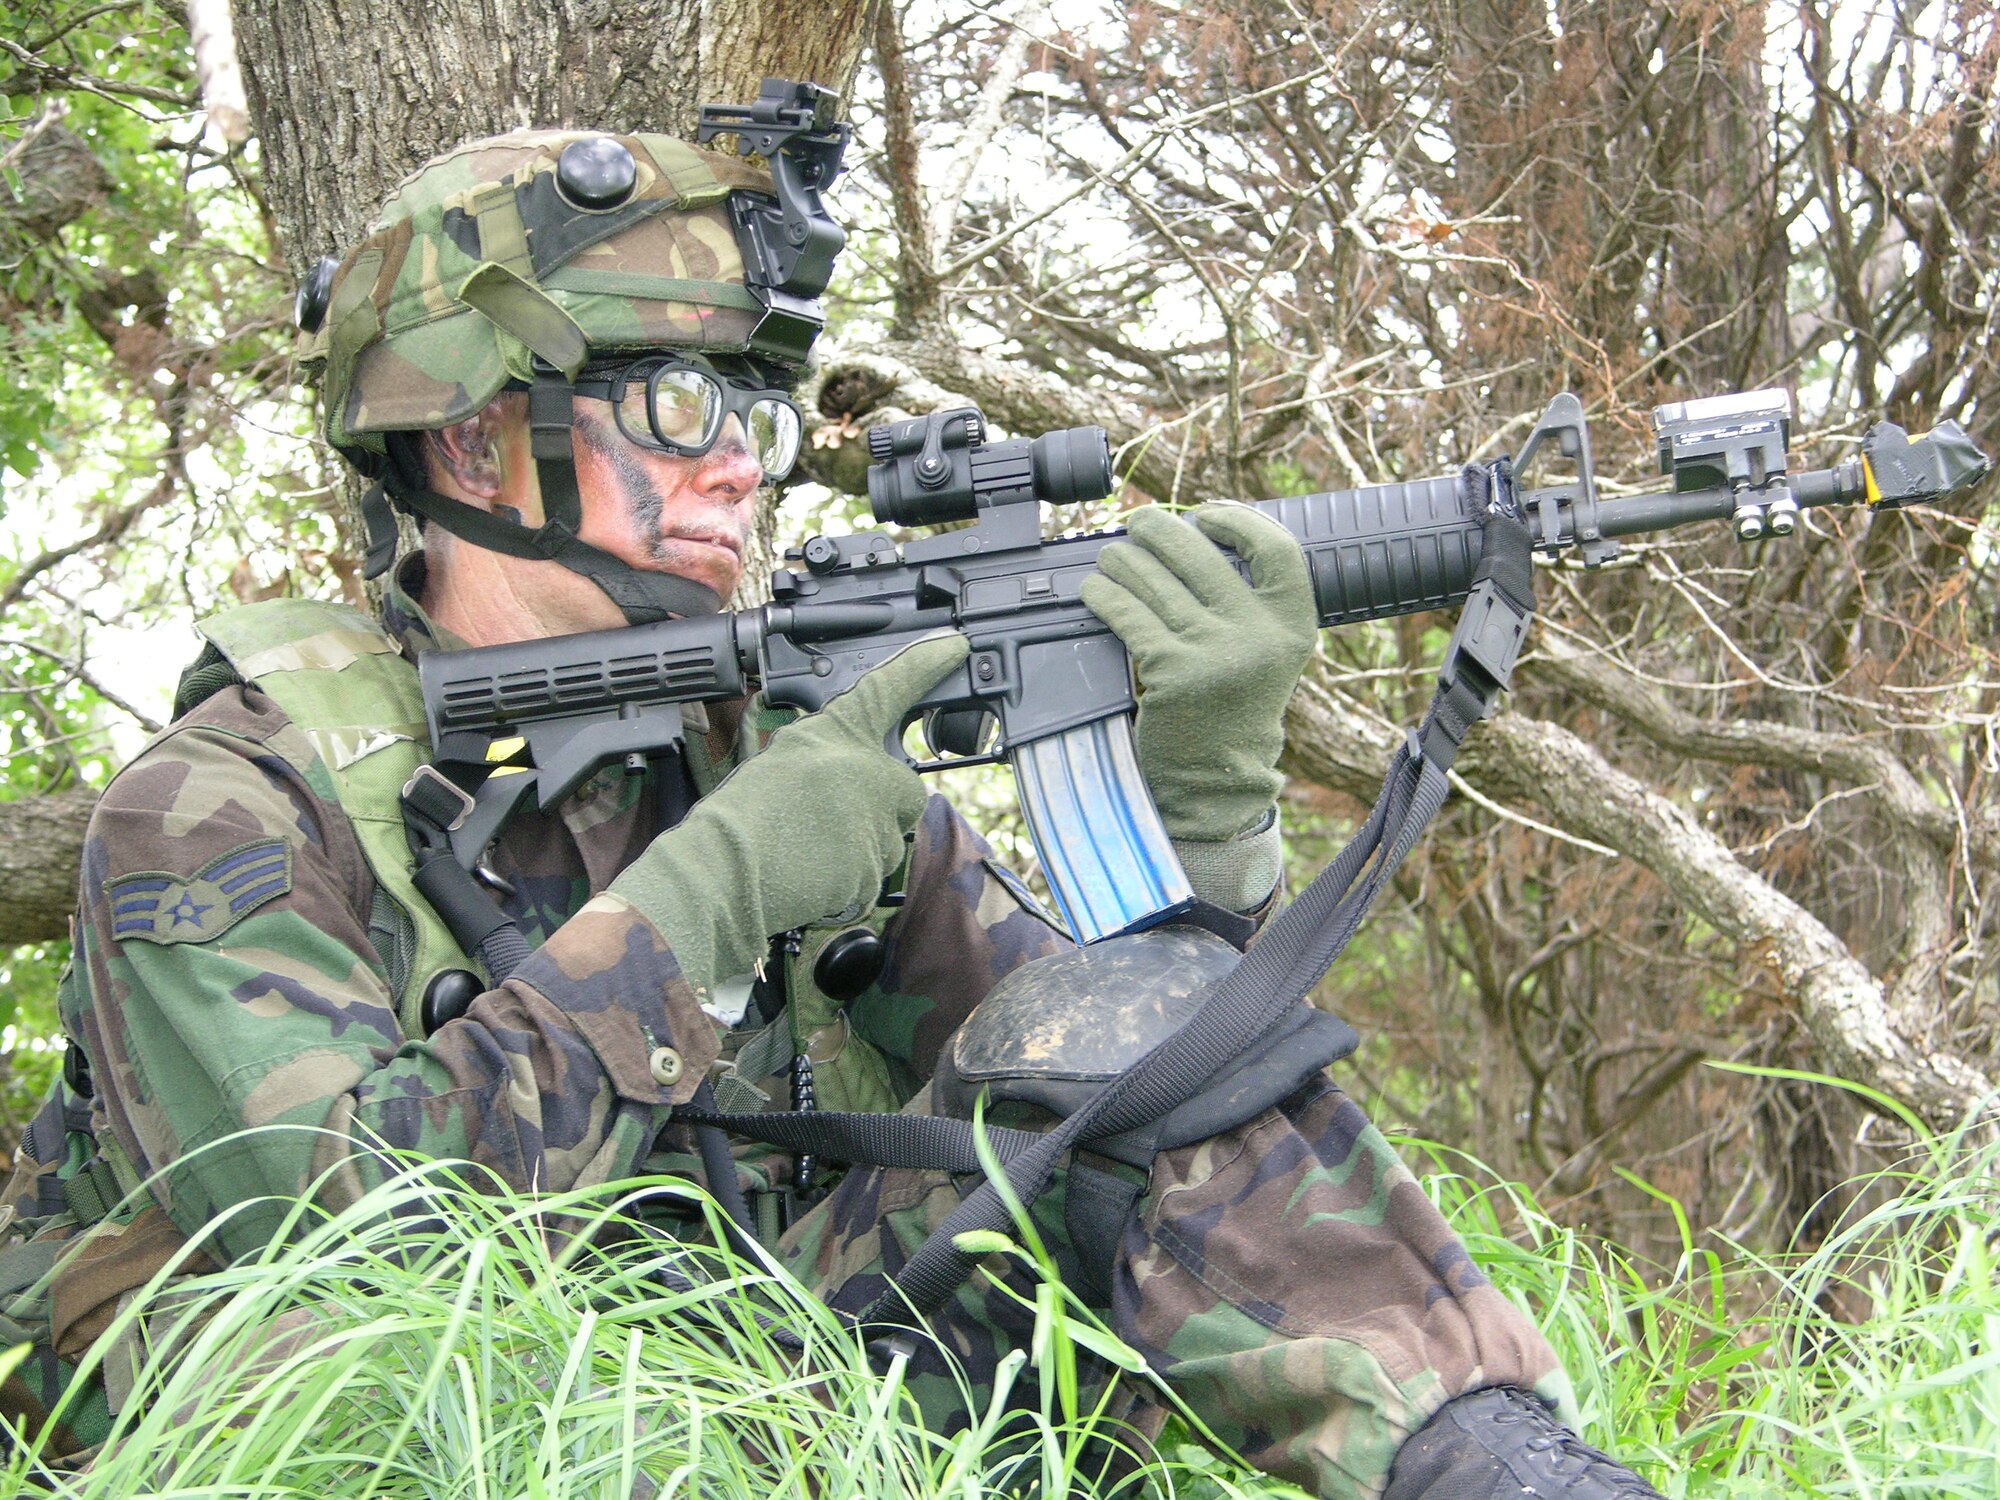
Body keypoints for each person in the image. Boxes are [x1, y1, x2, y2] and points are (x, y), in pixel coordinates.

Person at [10, 120, 1667, 1499]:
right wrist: (705, 901)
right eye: (675, 407)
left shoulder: (764, 745)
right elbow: (343, 1254)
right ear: (466, 442)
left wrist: (1209, 807)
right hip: (375, 1439)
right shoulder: (226, 798)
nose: (742, 466)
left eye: (752, 415)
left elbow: (1138, 1068)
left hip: (732, 1385)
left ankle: (1501, 1474)